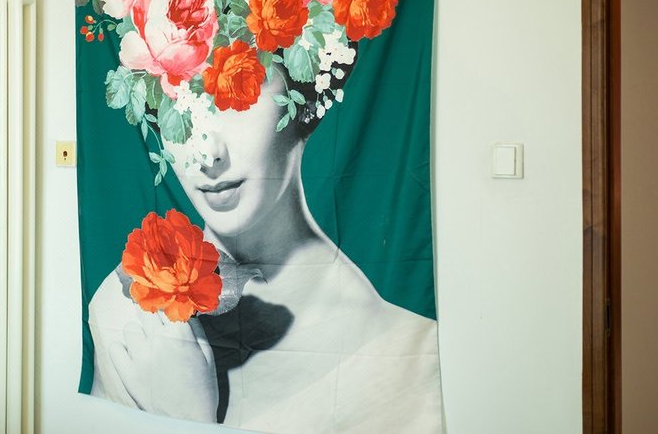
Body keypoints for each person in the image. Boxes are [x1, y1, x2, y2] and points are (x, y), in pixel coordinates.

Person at [87, 59, 443, 433]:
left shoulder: (403, 356)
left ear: (306, 101)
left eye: (237, 98)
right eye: (177, 102)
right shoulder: (125, 304)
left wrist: (188, 419)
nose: (207, 153)